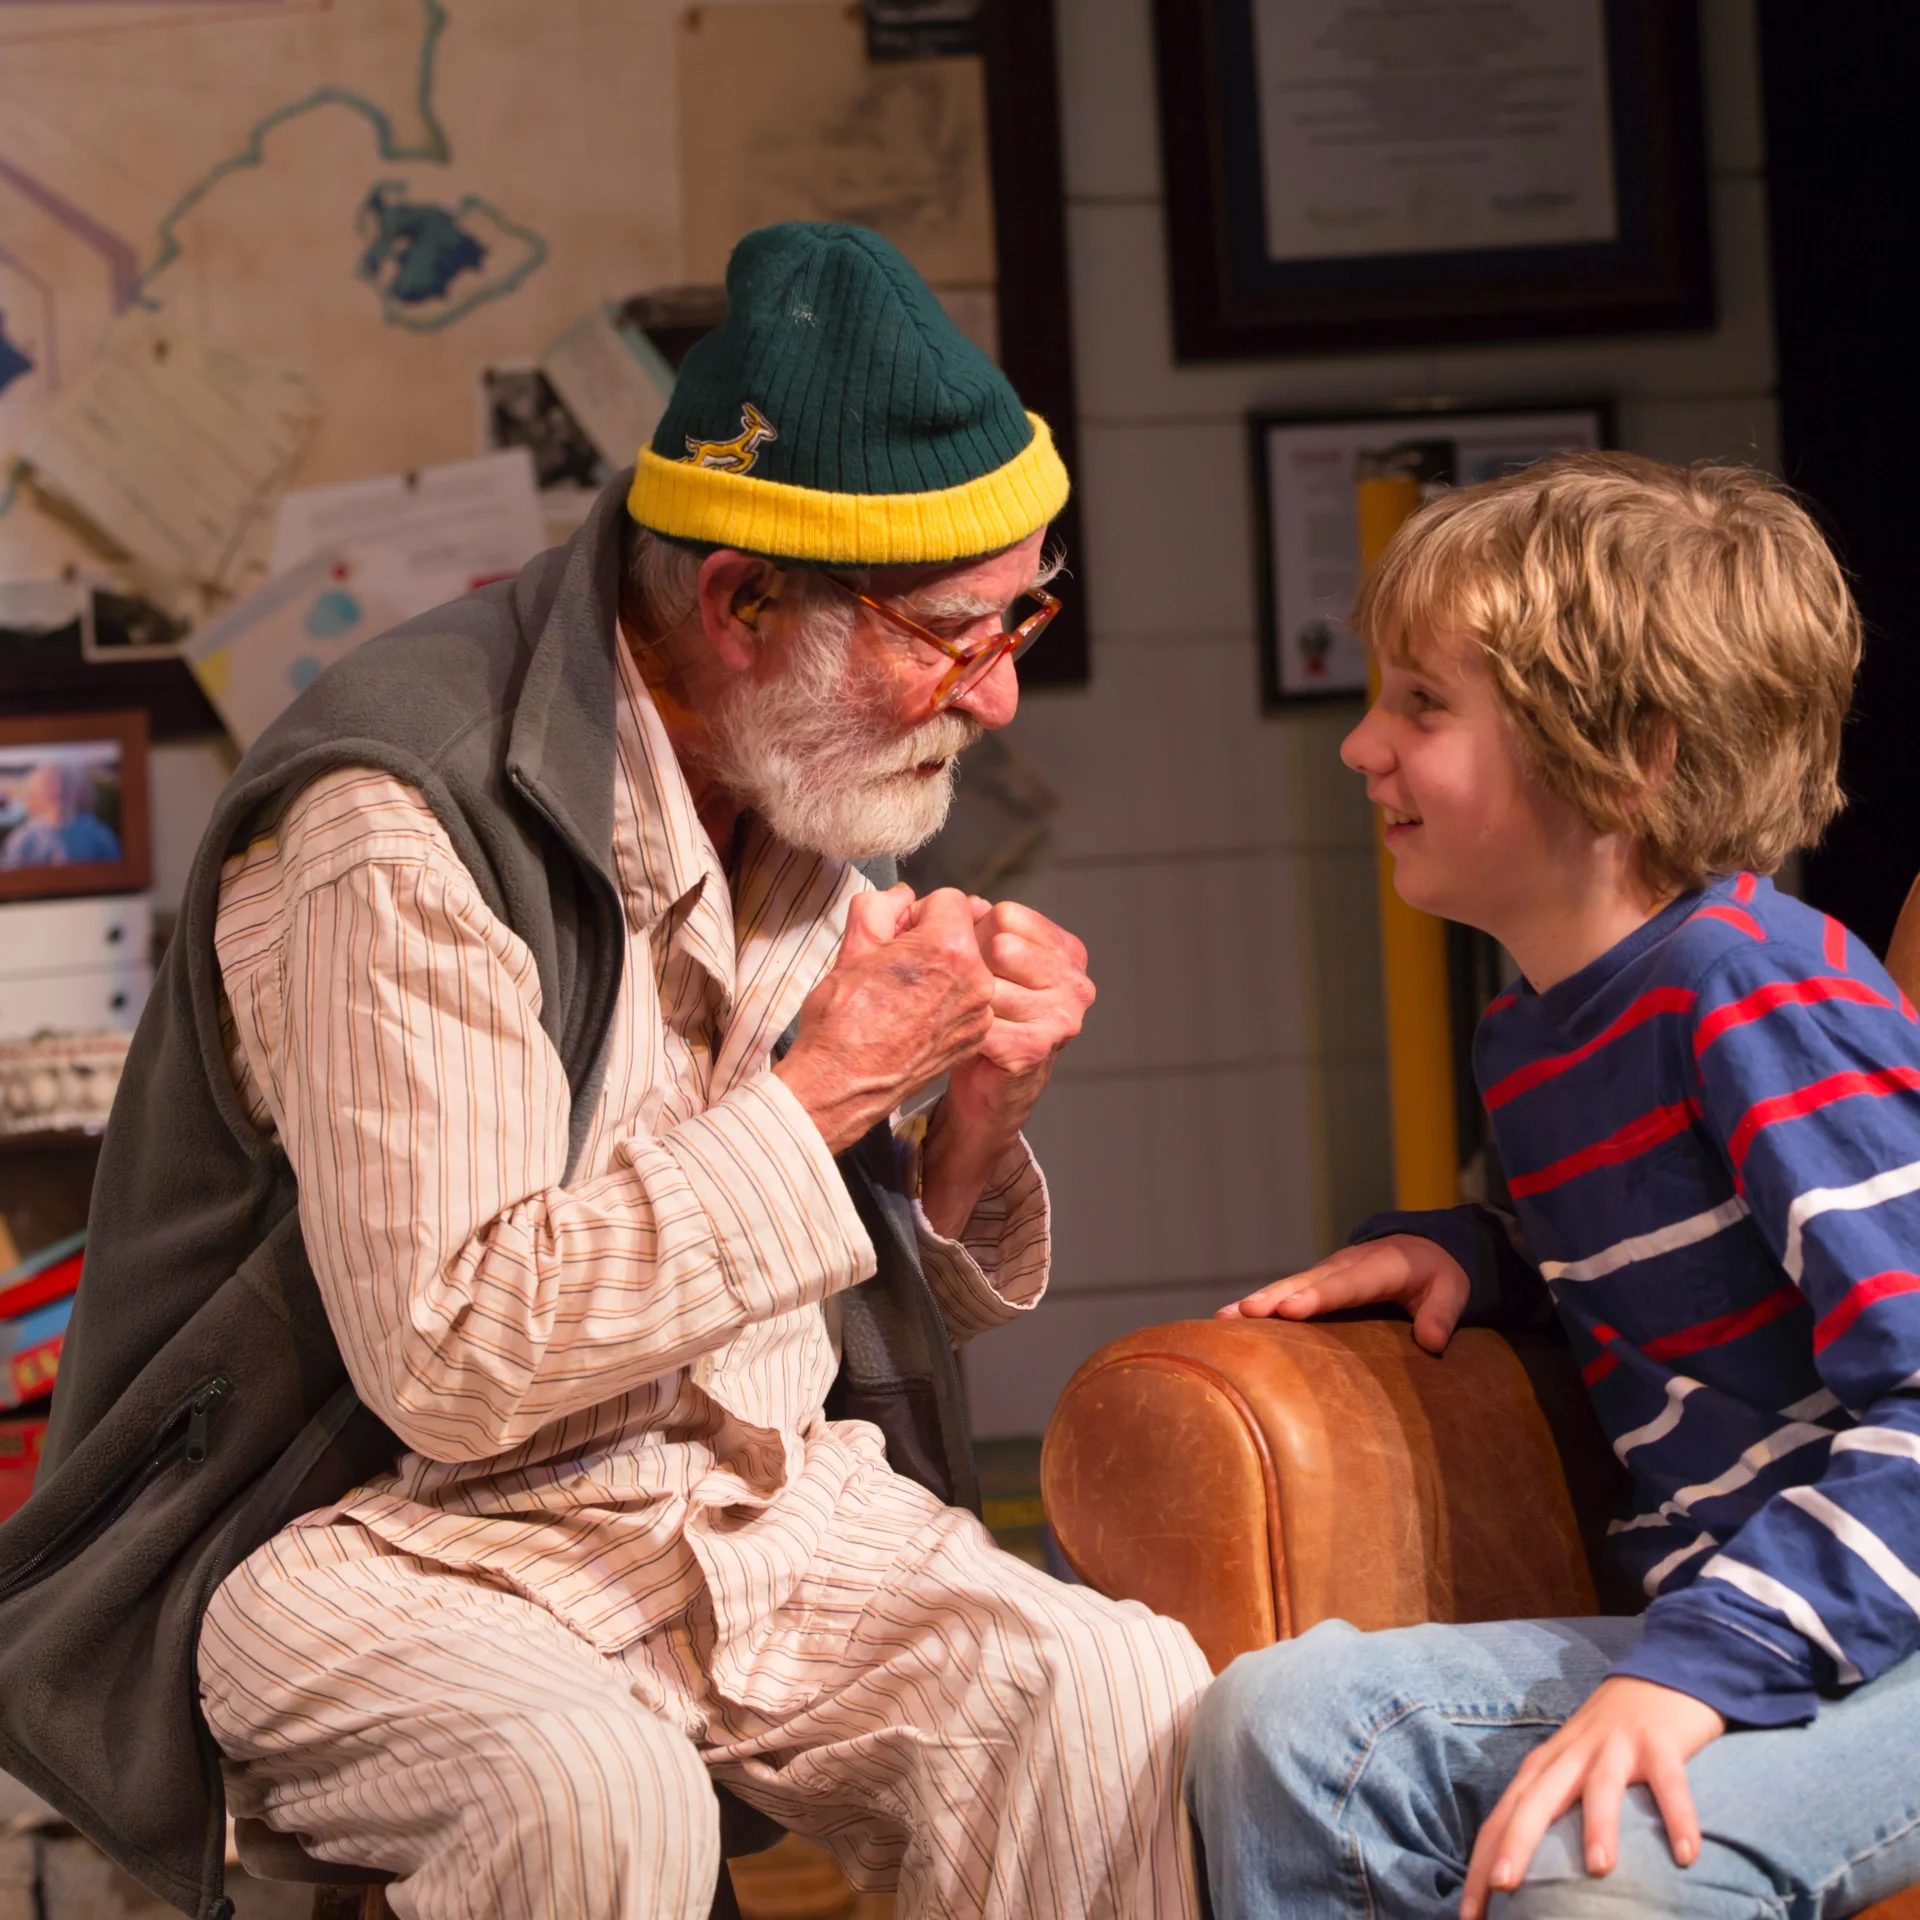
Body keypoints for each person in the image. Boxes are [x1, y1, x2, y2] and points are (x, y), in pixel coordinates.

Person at [0, 224, 1208, 1919]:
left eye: (1020, 616)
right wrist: (834, 1090)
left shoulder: (794, 758)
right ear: (742, 602)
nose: (997, 695)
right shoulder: (399, 824)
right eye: (949, 634)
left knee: (1126, 1705)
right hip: (379, 1535)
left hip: (738, 1504)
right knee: (591, 1797)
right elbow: (452, 1360)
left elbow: (813, 1276)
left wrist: (962, 1136)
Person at [1187, 452, 1920, 1918]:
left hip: (1882, 1624)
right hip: (1736, 1617)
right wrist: (1485, 1254)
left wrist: (1698, 1672)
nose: (1361, 749)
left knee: (1597, 1888)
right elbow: (1715, 1257)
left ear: (1629, 752)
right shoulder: (1536, 1028)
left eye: (1423, 705)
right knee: (1279, 1733)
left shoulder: (1758, 993)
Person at [0, 759, 120, 868]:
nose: (59, 789)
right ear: (36, 792)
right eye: (50, 784)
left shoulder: (99, 835)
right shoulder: (22, 839)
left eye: (67, 783)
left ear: (81, 791)